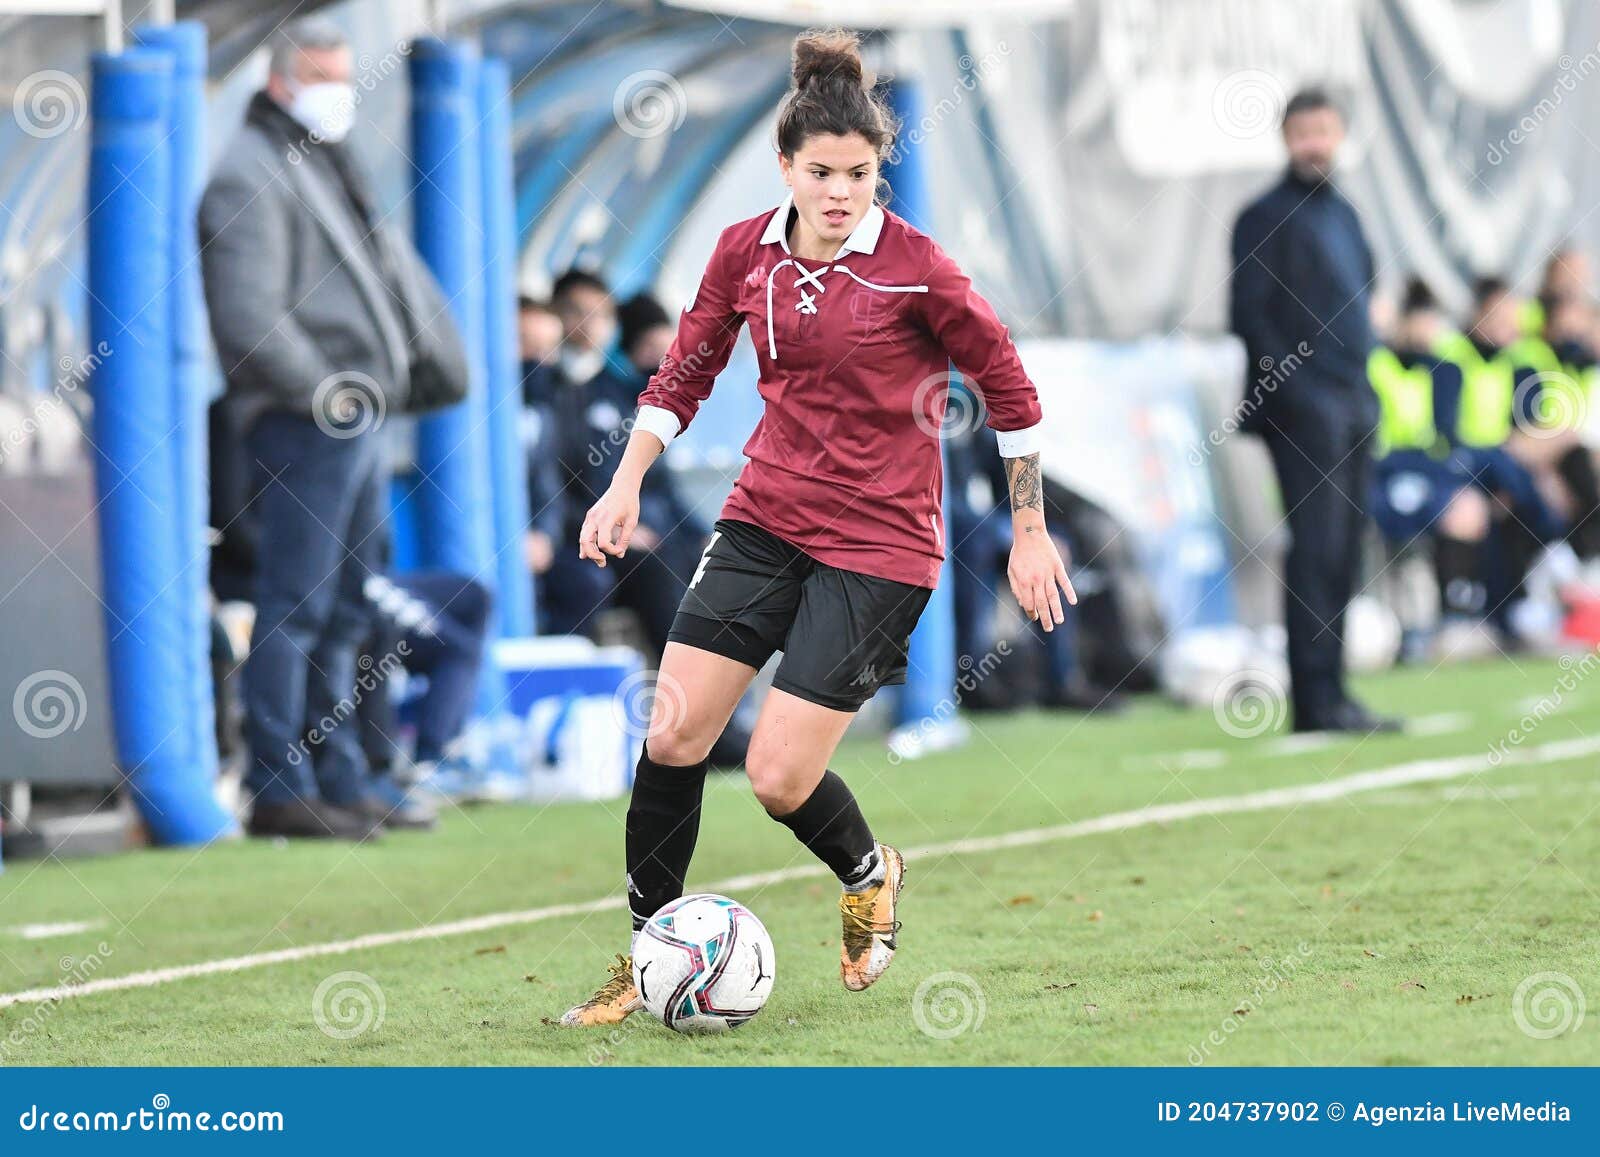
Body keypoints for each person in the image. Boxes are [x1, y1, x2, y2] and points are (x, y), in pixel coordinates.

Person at [556, 29, 1073, 1027]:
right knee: (672, 732)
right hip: (763, 516)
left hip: (880, 544)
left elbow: (1010, 390)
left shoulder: (919, 267)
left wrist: (1027, 528)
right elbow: (685, 373)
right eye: (823, 172)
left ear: (880, 170)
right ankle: (648, 953)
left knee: (776, 773)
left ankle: (870, 872)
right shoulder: (742, 250)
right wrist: (624, 485)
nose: (843, 192)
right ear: (785, 166)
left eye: (862, 173)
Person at [199, 17, 464, 840]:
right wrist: (328, 394)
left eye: (346, 74)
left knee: (350, 607)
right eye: (324, 74)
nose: (340, 91)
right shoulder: (246, 174)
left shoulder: (311, 162)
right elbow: (247, 320)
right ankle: (281, 781)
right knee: (297, 606)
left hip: (351, 423)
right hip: (303, 425)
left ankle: (342, 771)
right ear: (281, 79)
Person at [1229, 88, 1398, 734]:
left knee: (1346, 551)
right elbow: (1249, 314)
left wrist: (1359, 392)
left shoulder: (1347, 215)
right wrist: (1299, 394)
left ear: (1340, 134)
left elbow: (1365, 303)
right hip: (1303, 414)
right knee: (1316, 547)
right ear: (1285, 138)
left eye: (1323, 130)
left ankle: (1337, 691)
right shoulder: (1263, 215)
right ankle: (1313, 702)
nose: (1314, 143)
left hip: (1355, 404)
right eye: (1302, 132)